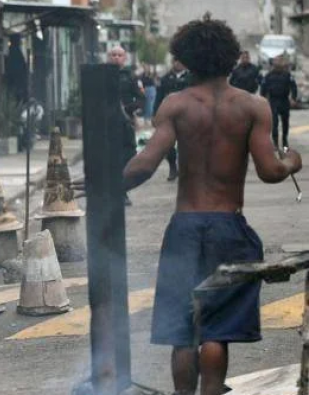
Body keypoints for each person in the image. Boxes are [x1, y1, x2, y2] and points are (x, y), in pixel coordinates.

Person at [122, 14, 301, 395]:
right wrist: (292, 162)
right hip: (228, 229)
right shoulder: (253, 107)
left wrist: (106, 185)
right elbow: (270, 171)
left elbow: (145, 164)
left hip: (185, 227)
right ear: (233, 58)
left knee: (183, 330)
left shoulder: (175, 104)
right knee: (217, 328)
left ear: (185, 59)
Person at [108, 46, 144, 206]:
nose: (116, 58)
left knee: (127, 155)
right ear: (109, 57)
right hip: (107, 122)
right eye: (113, 55)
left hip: (126, 122)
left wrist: (129, 108)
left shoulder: (130, 77)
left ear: (125, 58)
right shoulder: (103, 75)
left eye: (119, 55)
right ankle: (115, 191)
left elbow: (141, 98)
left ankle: (123, 189)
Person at [154, 59, 191, 181]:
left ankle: (184, 169)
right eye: (175, 61)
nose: (177, 64)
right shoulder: (165, 78)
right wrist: (155, 114)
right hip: (169, 115)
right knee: (168, 144)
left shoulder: (191, 77)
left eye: (180, 61)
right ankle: (172, 167)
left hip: (187, 114)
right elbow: (159, 96)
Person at [261, 55, 299, 150]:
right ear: (273, 63)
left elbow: (293, 87)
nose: (278, 63)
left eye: (280, 61)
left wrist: (293, 98)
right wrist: (263, 100)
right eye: (276, 61)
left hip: (284, 101)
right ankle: (275, 143)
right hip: (273, 101)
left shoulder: (287, 75)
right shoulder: (269, 75)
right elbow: (263, 88)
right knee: (274, 123)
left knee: (285, 123)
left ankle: (285, 142)